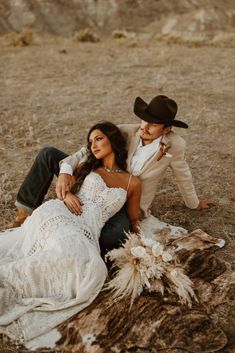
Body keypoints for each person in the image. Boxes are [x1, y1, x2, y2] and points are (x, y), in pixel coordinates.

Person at [10, 95, 215, 256]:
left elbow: (183, 175)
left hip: (123, 200)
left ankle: (76, 240)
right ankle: (24, 214)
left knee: (116, 236)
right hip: (96, 178)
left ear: (167, 128)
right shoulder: (126, 131)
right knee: (48, 154)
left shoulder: (175, 145)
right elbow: (88, 149)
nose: (145, 126)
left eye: (153, 124)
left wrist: (193, 203)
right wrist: (65, 171)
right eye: (144, 120)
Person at [0, 122, 141, 343]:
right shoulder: (88, 166)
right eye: (91, 141)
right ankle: (8, 278)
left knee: (94, 269)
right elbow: (64, 188)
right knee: (68, 250)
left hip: (88, 227)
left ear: (113, 140)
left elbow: (134, 218)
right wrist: (66, 196)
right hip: (60, 213)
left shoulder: (133, 182)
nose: (93, 145)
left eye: (98, 139)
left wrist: (140, 242)